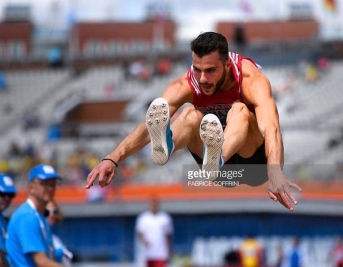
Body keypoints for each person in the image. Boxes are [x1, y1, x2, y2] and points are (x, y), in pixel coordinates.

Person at [86, 32, 301, 210]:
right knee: (190, 115)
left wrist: (275, 172)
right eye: (197, 70)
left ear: (226, 66)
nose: (203, 79)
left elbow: (271, 127)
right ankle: (169, 145)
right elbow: (147, 126)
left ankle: (218, 156)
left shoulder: (250, 79)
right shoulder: (187, 84)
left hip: (255, 166)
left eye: (210, 71)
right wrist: (113, 158)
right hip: (216, 173)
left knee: (241, 110)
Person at [6, 164, 63, 267]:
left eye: (53, 184)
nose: (50, 188)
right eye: (44, 184)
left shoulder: (39, 216)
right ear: (30, 187)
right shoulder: (27, 216)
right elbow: (41, 261)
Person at [135, 196, 173, 267]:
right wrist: (144, 241)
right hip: (148, 253)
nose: (154, 207)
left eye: (155, 205)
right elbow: (139, 233)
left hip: (161, 253)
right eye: (152, 205)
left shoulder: (164, 218)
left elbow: (168, 236)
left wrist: (170, 251)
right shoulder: (144, 218)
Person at [45, 199, 74, 267]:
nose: (51, 215)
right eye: (47, 212)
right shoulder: (37, 235)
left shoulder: (54, 238)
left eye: (54, 211)